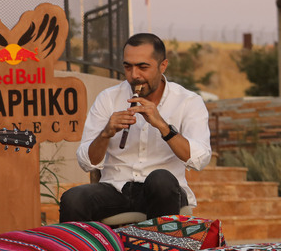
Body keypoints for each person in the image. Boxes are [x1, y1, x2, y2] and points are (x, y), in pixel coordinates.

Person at [60, 33, 212, 223]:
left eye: (143, 67)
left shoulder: (188, 101)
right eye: (128, 67)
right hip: (116, 189)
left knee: (160, 180)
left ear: (162, 66)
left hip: (163, 192)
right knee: (73, 198)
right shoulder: (108, 98)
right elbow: (86, 163)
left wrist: (163, 126)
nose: (134, 75)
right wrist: (106, 134)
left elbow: (200, 159)